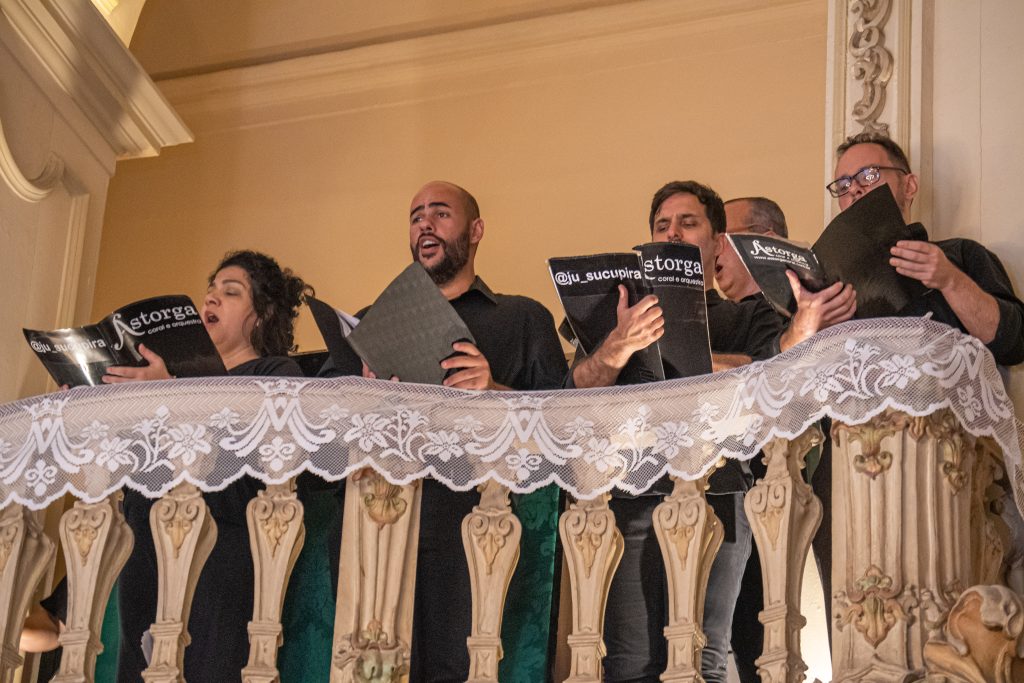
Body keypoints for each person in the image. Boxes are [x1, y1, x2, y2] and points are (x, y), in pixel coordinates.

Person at [24, 250, 311, 682]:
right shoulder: (156, 378)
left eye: (229, 293)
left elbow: (253, 470)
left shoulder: (274, 372)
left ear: (263, 315)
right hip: (144, 541)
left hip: (222, 546)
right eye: (209, 291)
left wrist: (172, 395)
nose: (210, 301)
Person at [322, 181, 568, 682]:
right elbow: (318, 424)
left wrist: (492, 388)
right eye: (415, 217)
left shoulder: (521, 318)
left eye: (440, 214)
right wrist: (358, 394)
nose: (425, 225)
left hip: (475, 520)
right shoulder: (370, 324)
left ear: (476, 231)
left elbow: (561, 427)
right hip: (378, 518)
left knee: (461, 665)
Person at [567, 180, 786, 683]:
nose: (673, 232)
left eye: (688, 223)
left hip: (722, 493)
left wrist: (680, 353)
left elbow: (766, 378)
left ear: (716, 243)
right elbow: (576, 389)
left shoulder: (750, 312)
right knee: (628, 662)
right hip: (632, 492)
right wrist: (620, 344)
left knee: (702, 658)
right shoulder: (622, 314)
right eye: (662, 225)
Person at [823, 132, 1024, 365]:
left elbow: (1014, 346)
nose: (854, 189)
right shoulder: (833, 287)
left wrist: (950, 280)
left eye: (869, 174)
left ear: (909, 186)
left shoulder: (960, 254)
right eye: (843, 184)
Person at [715, 197, 789, 303]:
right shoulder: (709, 315)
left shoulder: (806, 309)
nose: (714, 250)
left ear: (766, 243)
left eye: (722, 238)